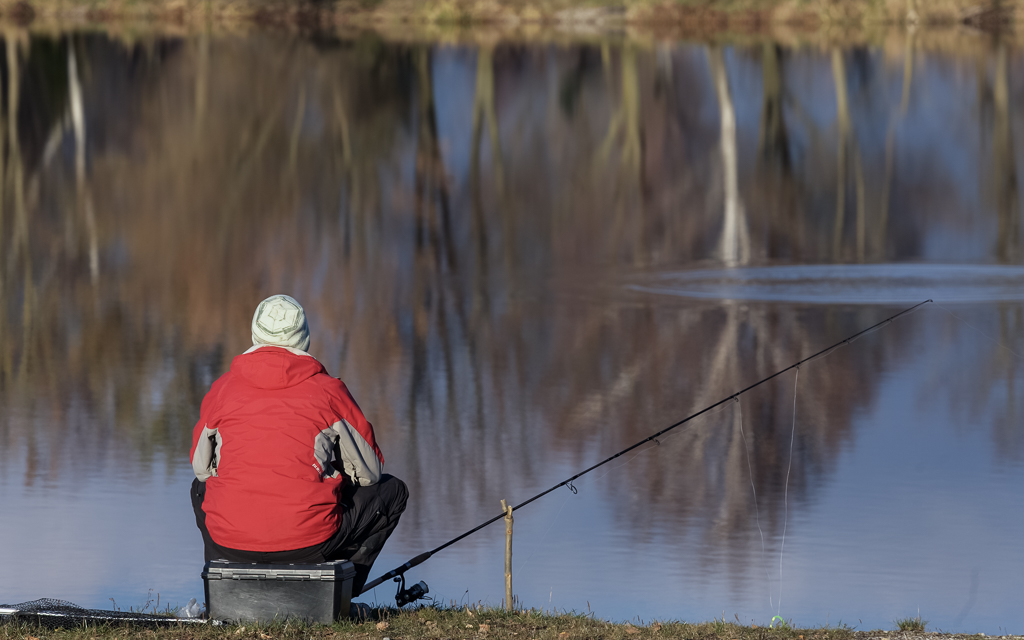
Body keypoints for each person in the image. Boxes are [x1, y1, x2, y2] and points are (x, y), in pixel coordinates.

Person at [189, 294, 407, 596]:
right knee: (392, 491)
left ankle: (226, 583)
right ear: (304, 338)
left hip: (229, 543)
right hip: (310, 544)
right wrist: (334, 473)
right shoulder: (330, 391)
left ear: (254, 333)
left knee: (200, 488)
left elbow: (201, 470)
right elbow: (370, 474)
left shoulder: (222, 389)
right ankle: (339, 596)